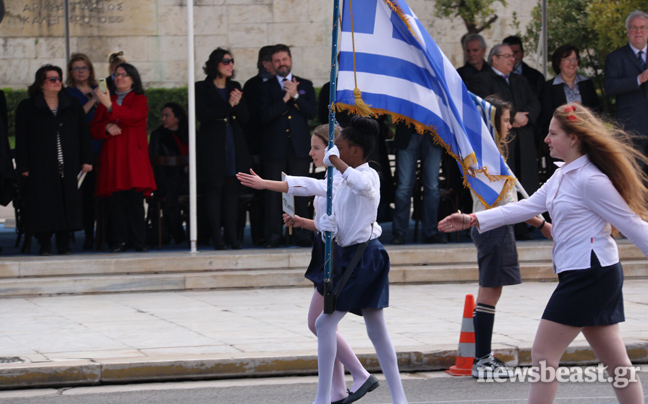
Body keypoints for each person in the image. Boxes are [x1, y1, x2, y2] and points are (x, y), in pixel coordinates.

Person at [439, 103, 647, 403]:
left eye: (553, 133)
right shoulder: (564, 175)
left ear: (573, 138)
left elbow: (632, 224)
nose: (546, 139)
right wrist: (473, 219)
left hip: (590, 275)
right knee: (616, 362)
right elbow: (527, 207)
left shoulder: (591, 180)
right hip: (589, 274)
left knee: (543, 355)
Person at [237, 124, 375, 404]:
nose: (310, 152)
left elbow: (308, 186)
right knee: (322, 326)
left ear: (334, 149)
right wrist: (302, 222)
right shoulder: (333, 176)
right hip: (326, 252)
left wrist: (265, 184)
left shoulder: (342, 178)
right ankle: (339, 389)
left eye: (316, 147)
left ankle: (359, 374)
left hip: (341, 257)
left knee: (319, 324)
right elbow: (326, 222)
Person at [313, 116, 408, 404]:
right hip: (352, 255)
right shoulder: (341, 179)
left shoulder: (369, 175)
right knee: (375, 328)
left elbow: (362, 186)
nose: (334, 151)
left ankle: (322, 399)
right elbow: (318, 193)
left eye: (338, 147)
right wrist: (327, 225)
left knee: (324, 324)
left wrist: (337, 163)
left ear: (354, 151)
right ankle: (400, 399)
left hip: (366, 257)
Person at [469, 95, 552, 379]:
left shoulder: (487, 154)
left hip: (490, 227)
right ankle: (482, 359)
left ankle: (482, 356)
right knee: (489, 292)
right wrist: (542, 224)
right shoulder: (486, 157)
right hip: (493, 228)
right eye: (505, 120)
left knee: (489, 291)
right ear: (491, 122)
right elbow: (508, 205)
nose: (510, 125)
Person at [14, 65, 93, 255]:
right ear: (41, 84)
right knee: (44, 204)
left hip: (68, 163)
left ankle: (64, 242)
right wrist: (23, 165)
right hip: (40, 165)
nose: (57, 82)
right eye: (52, 79)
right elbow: (21, 138)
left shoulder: (72, 104)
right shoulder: (28, 106)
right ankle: (45, 243)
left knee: (67, 203)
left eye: (59, 79)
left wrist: (86, 160)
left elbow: (84, 134)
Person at [91, 62, 156, 253]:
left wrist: (110, 106)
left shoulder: (139, 99)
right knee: (115, 202)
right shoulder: (107, 100)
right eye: (116, 74)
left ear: (133, 79)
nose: (119, 78)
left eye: (124, 75)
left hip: (133, 158)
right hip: (113, 157)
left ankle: (139, 241)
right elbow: (94, 128)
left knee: (135, 202)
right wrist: (106, 127)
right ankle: (119, 241)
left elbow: (133, 116)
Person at [258, 44, 317, 248]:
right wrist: (285, 99)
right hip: (275, 150)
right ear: (272, 65)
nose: (281, 63)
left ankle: (303, 236)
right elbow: (264, 116)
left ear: (290, 60)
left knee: (300, 192)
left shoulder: (305, 85)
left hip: (299, 149)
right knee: (274, 194)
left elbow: (312, 113)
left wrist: (297, 96)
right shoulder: (265, 88)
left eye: (284, 59)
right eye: (277, 60)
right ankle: (274, 237)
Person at [195, 48, 251, 250]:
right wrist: (228, 105)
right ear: (215, 64)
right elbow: (204, 116)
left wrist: (236, 104)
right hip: (212, 147)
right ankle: (216, 238)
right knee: (213, 191)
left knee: (231, 192)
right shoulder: (201, 88)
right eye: (225, 61)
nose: (230, 65)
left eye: (232, 61)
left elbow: (245, 118)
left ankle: (232, 237)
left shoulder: (235, 86)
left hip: (233, 144)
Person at [540, 45, 601, 178]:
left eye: (575, 59)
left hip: (585, 137)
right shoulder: (549, 87)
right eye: (568, 59)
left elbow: (597, 109)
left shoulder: (587, 83)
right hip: (561, 138)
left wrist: (582, 111)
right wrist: (567, 109)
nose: (572, 63)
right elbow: (545, 114)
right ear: (559, 63)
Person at [65, 53, 102, 250]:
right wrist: (92, 100)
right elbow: (75, 118)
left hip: (101, 146)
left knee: (103, 195)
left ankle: (106, 235)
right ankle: (88, 235)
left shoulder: (99, 90)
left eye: (84, 68)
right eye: (76, 68)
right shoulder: (68, 93)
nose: (80, 72)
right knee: (86, 197)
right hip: (81, 149)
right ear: (71, 72)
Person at [391, 123, 446, 245]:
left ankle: (430, 231)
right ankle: (399, 232)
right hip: (408, 130)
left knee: (431, 187)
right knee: (404, 187)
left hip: (432, 131)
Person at [243, 45, 275, 246]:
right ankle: (259, 234)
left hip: (278, 148)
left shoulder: (282, 84)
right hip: (257, 148)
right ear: (265, 63)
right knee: (259, 195)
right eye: (274, 60)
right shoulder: (252, 85)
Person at [604, 10, 648, 152]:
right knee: (633, 174)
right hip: (630, 131)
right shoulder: (615, 58)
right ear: (627, 31)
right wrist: (638, 79)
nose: (638, 31)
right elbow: (610, 87)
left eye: (642, 27)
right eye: (634, 27)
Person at [148, 102, 189, 245]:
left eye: (167, 115)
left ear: (177, 118)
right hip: (165, 179)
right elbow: (154, 160)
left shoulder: (188, 133)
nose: (163, 119)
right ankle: (178, 233)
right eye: (162, 115)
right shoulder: (158, 135)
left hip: (187, 180)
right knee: (171, 188)